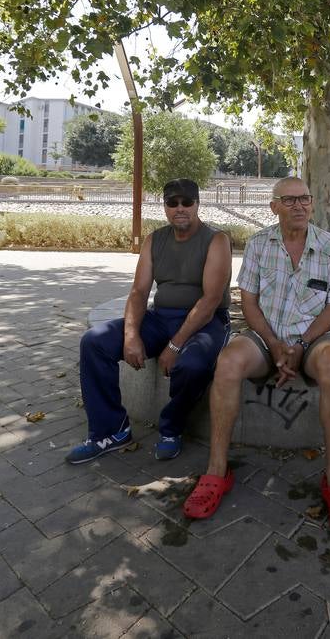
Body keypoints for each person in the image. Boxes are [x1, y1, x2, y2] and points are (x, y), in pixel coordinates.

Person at [182, 176, 330, 535]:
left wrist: (300, 345)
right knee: (229, 360)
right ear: (274, 207)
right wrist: (274, 342)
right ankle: (217, 470)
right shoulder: (259, 245)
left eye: (305, 199)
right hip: (266, 337)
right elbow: (248, 301)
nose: (299, 206)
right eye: (290, 200)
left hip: (315, 339)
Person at [66, 178, 232, 464]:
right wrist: (131, 334)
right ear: (165, 206)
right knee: (94, 342)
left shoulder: (217, 240)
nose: (180, 208)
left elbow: (210, 300)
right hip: (161, 317)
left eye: (187, 202)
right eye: (172, 203)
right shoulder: (155, 239)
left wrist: (175, 346)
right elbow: (140, 291)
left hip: (205, 322)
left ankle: (171, 428)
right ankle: (111, 431)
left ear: (197, 204)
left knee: (192, 365)